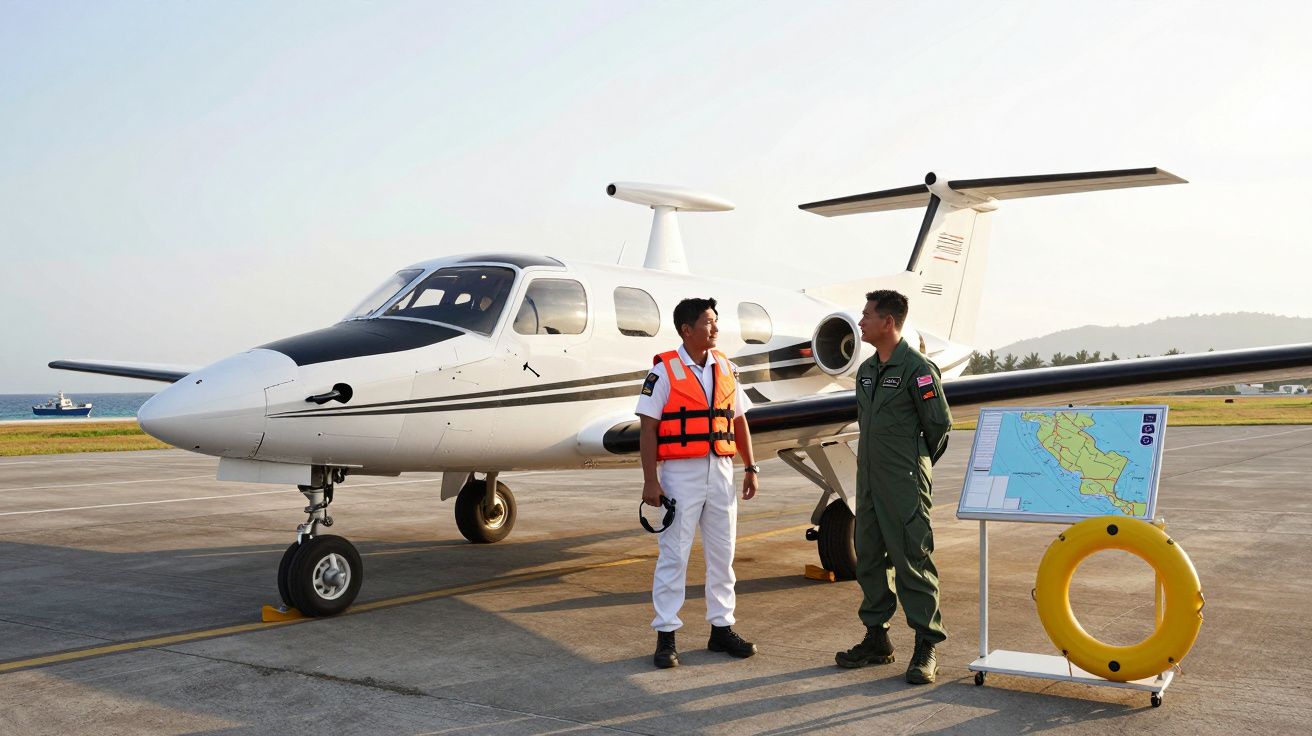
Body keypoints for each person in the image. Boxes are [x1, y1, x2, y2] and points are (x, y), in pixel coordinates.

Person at [835, 290, 952, 684]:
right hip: (868, 481)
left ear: (888, 322)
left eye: (866, 315)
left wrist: (914, 466)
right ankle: (876, 638)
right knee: (869, 558)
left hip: (904, 482)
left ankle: (926, 644)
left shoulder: (918, 369)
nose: (860, 322)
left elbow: (939, 425)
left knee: (912, 561)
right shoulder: (867, 370)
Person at [636, 297, 760, 669]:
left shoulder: (727, 368)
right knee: (674, 555)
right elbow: (648, 429)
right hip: (680, 474)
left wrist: (750, 466)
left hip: (721, 471)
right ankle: (666, 635)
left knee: (723, 555)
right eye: (708, 322)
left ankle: (721, 628)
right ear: (686, 329)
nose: (715, 327)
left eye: (715, 321)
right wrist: (650, 481)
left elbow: (739, 420)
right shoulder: (663, 372)